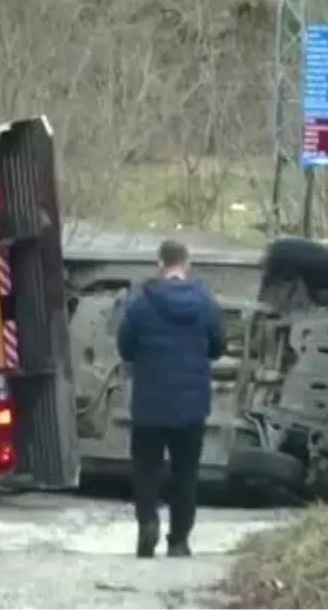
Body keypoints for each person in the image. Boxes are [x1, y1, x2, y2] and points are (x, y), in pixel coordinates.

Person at [116, 239, 225, 558]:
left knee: (146, 471)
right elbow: (219, 347)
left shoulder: (141, 303)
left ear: (159, 264)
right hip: (191, 408)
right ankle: (178, 540)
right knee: (186, 474)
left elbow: (126, 348)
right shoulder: (206, 302)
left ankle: (147, 525)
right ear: (186, 265)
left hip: (150, 405)